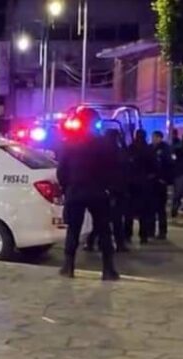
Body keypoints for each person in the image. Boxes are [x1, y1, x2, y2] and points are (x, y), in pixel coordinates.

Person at [58, 107, 120, 281]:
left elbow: (62, 171)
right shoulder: (105, 144)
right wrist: (111, 189)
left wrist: (66, 188)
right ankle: (108, 269)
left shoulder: (69, 143)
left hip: (76, 191)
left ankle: (68, 266)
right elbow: (114, 169)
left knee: (73, 230)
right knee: (104, 230)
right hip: (98, 192)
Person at [85, 128, 128, 253]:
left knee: (100, 219)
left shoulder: (98, 151)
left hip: (101, 189)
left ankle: (92, 242)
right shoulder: (119, 152)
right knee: (116, 219)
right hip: (116, 189)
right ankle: (118, 244)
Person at [124, 129, 156, 244]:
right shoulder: (148, 149)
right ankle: (143, 236)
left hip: (130, 184)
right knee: (144, 212)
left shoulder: (130, 149)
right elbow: (154, 166)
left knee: (128, 211)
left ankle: (127, 235)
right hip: (144, 183)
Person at [151, 130, 173, 240]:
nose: (153, 140)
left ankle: (162, 231)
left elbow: (169, 165)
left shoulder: (165, 149)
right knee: (151, 208)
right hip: (152, 183)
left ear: (159, 138)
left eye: (155, 137)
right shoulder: (151, 148)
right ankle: (150, 230)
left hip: (161, 182)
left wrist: (165, 179)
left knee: (160, 209)